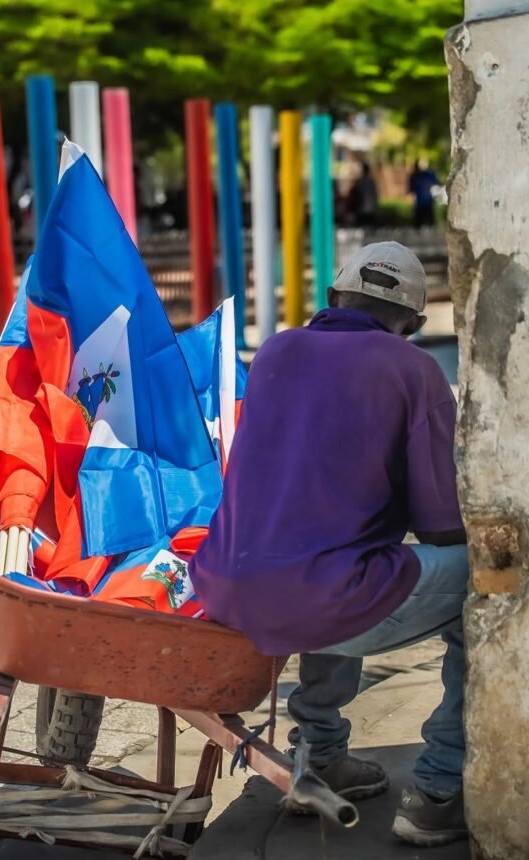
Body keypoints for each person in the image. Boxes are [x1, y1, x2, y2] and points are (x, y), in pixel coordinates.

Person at [190, 241, 468, 847]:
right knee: (489, 582)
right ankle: (443, 787)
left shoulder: (275, 351)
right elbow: (442, 524)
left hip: (227, 586)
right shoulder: (414, 369)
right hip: (321, 595)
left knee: (345, 560)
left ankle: (319, 756)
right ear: (414, 326)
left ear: (333, 299)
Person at [347, 161, 379, 227]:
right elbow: (375, 195)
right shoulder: (371, 181)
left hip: (362, 209)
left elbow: (356, 194)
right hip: (370, 208)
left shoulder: (360, 182)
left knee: (363, 227)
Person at [409, 161, 441, 228]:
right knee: (424, 222)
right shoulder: (417, 176)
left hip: (424, 201)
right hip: (423, 201)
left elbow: (411, 190)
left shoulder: (419, 176)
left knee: (424, 221)